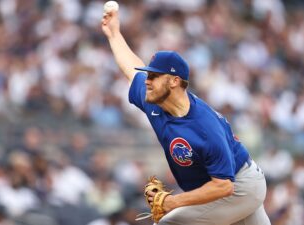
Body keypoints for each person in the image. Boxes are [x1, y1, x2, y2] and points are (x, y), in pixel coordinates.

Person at [101, 9, 271, 225]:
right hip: (227, 188)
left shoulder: (204, 126)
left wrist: (173, 202)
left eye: (154, 76)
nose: (147, 81)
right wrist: (114, 34)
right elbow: (131, 69)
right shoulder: (154, 102)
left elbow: (224, 186)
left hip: (238, 187)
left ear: (174, 81)